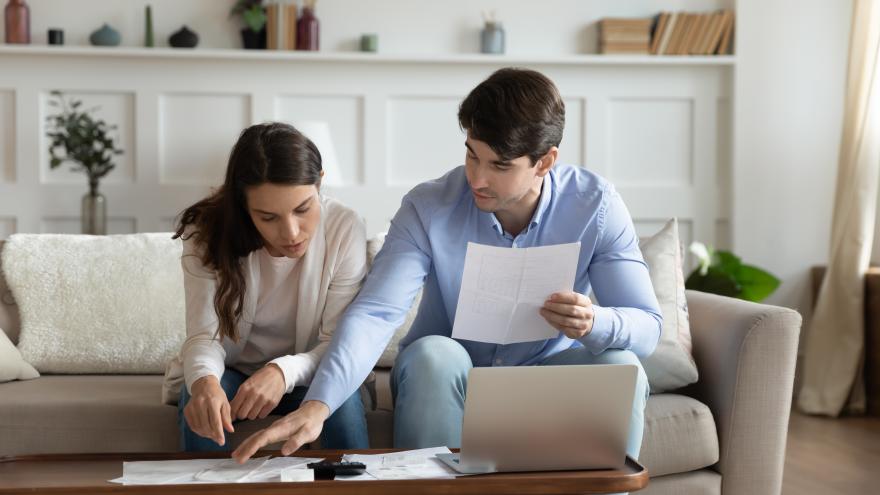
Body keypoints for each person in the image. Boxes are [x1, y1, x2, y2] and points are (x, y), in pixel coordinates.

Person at [232, 68, 662, 464]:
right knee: (433, 356)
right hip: (445, 377)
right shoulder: (428, 206)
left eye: (499, 165)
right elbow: (376, 313)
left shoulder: (596, 206)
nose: (476, 178)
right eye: (472, 155)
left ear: (545, 162)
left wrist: (595, 322)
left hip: (547, 377)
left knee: (621, 365)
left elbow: (647, 326)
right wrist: (317, 406)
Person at [162, 122, 369, 452]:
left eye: (303, 209)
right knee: (201, 398)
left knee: (339, 400)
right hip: (233, 372)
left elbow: (338, 343)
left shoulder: (345, 228)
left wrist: (281, 372)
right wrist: (205, 383)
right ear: (245, 208)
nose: (290, 232)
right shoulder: (206, 233)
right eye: (268, 217)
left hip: (313, 375)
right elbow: (204, 336)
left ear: (320, 184)